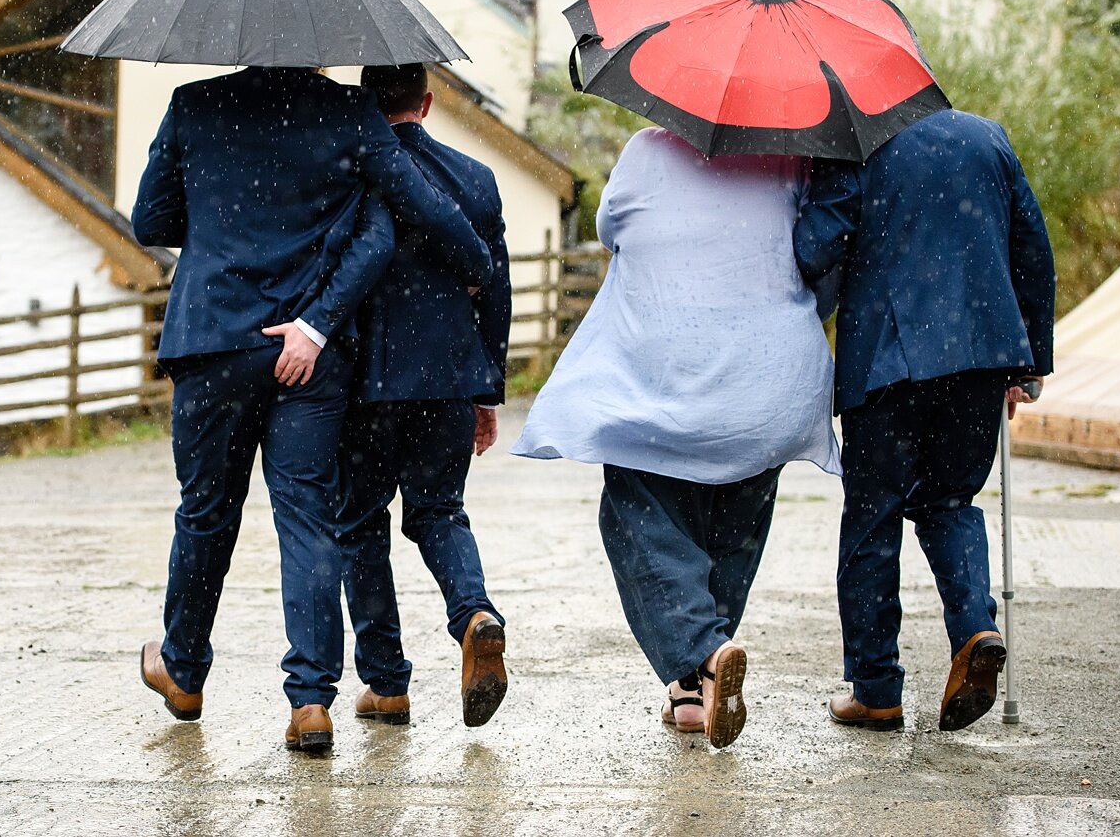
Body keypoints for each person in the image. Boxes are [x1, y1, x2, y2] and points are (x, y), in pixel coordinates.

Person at [132, 65, 492, 755]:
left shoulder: (193, 105)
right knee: (308, 516)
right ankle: (310, 700)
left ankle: (183, 669)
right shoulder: (348, 112)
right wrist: (475, 263)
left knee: (207, 511)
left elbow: (152, 218)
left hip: (212, 338)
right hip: (310, 349)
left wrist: (223, 224)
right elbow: (402, 218)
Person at [512, 127, 841, 749]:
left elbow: (612, 231)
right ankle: (693, 690)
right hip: (769, 379)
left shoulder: (646, 150)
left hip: (662, 376)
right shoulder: (793, 157)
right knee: (732, 527)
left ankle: (704, 654)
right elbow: (819, 250)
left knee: (640, 513)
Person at [793, 108, 1055, 733]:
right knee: (950, 502)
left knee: (872, 520)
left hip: (889, 356)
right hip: (982, 354)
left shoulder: (853, 147)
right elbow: (1032, 247)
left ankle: (876, 690)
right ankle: (976, 628)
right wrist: (1028, 360)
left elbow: (812, 250)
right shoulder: (987, 135)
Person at [335, 63, 513, 729]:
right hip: (445, 377)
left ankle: (386, 682)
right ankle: (475, 613)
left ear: (365, 102)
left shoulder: (353, 170)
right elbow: (495, 291)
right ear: (427, 102)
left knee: (359, 524)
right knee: (440, 512)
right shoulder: (475, 178)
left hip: (364, 381)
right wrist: (485, 386)